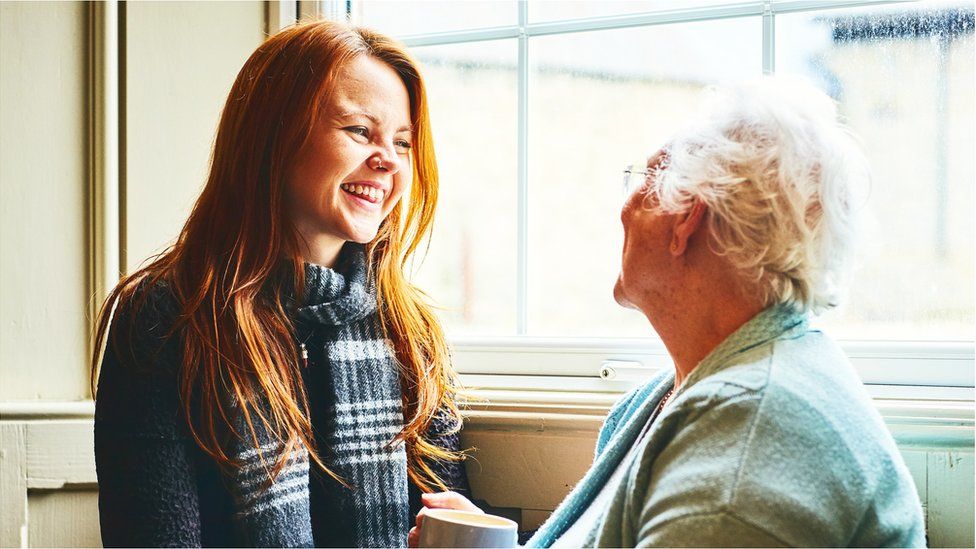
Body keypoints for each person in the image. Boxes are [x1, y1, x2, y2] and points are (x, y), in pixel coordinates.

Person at [410, 77, 925, 547]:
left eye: (645, 177)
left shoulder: (749, 441)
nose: (624, 208)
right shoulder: (685, 392)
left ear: (686, 218)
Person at [92, 19, 468, 547]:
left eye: (403, 142)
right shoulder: (165, 317)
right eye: (360, 131)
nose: (388, 160)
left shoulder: (412, 330)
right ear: (273, 136)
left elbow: (443, 508)